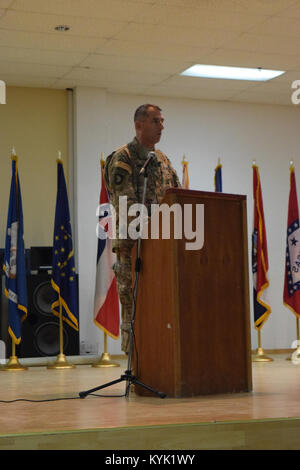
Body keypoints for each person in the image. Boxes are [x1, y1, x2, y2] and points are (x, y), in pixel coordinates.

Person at [104, 104, 181, 353]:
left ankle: (161, 366)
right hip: (134, 251)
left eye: (162, 121)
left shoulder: (163, 160)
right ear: (139, 125)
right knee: (135, 312)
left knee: (162, 310)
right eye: (156, 121)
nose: (162, 126)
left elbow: (178, 198)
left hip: (162, 253)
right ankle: (136, 373)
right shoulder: (123, 158)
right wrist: (154, 233)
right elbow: (127, 208)